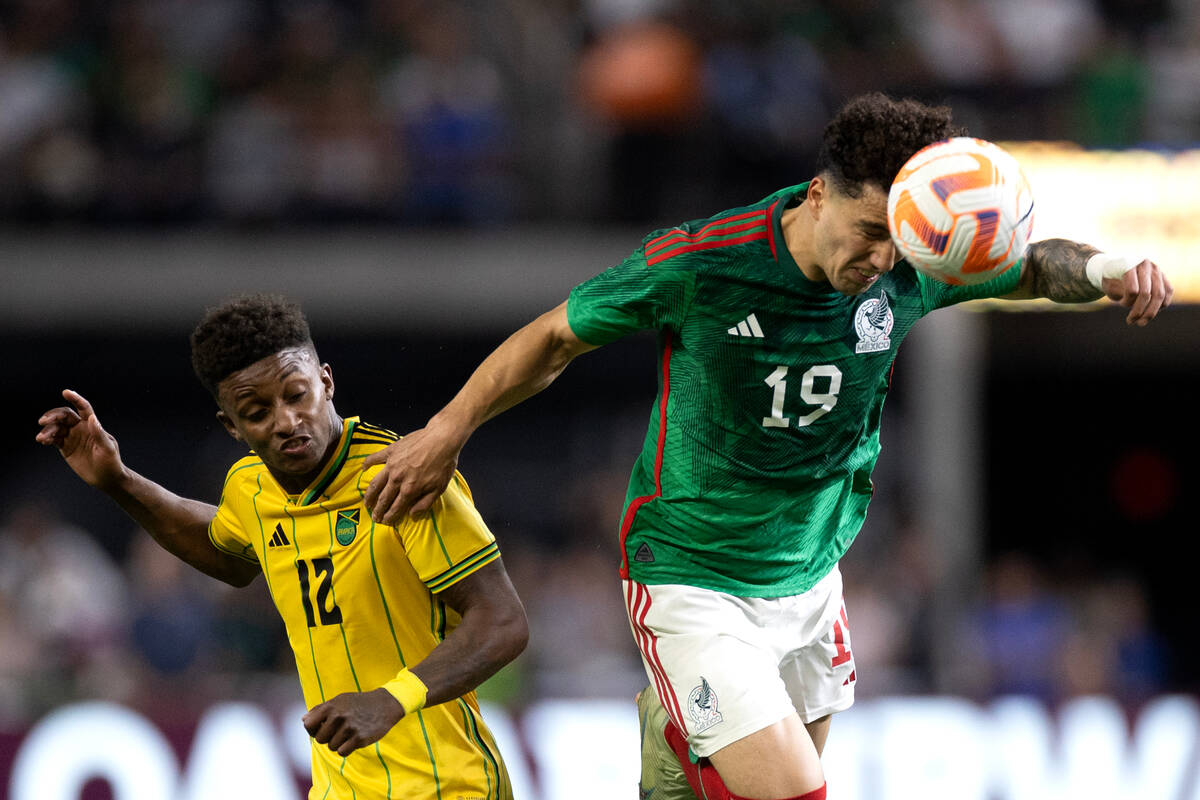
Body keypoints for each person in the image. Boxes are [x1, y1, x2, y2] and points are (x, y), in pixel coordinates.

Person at [359, 93, 1173, 800]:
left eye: (898, 242)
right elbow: (552, 339)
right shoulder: (704, 264)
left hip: (811, 577)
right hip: (692, 577)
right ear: (817, 195)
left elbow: (1029, 268)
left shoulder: (912, 262)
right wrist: (447, 430)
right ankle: (683, 719)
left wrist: (1108, 268)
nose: (881, 260)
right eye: (867, 233)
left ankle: (675, 740)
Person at [35, 295, 528, 800]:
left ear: (327, 382)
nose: (287, 421)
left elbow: (503, 621)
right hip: (340, 788)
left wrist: (390, 699)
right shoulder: (249, 488)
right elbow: (226, 552)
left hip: (448, 785)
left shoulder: (405, 478)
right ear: (232, 426)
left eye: (297, 394)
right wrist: (118, 481)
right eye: (257, 411)